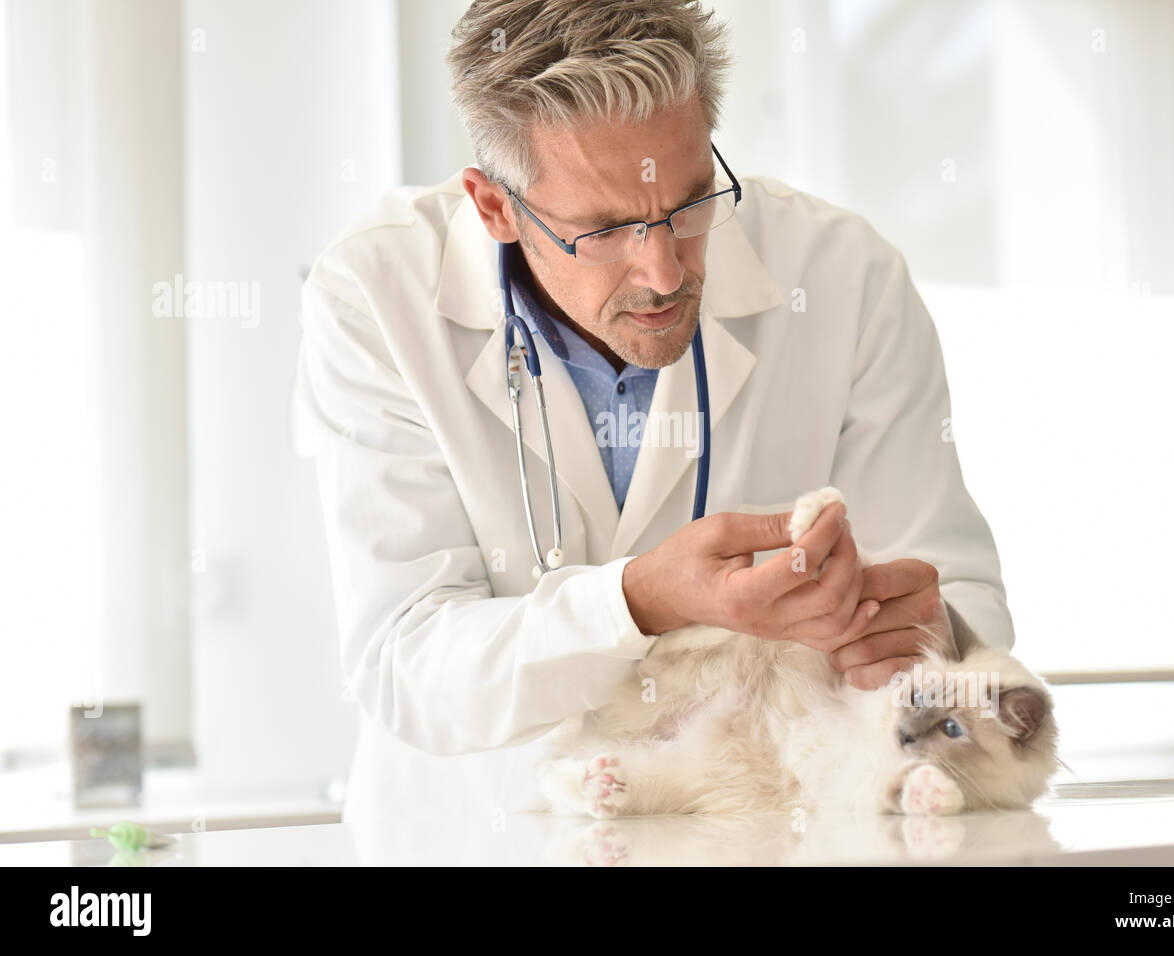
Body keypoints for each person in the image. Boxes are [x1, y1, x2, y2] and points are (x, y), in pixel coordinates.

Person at [291, 0, 1013, 843]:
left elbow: (959, 599)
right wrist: (637, 602)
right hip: (474, 839)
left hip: (759, 839)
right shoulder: (376, 293)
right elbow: (403, 660)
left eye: (691, 200)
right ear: (494, 207)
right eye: (604, 230)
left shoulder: (844, 277)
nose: (665, 271)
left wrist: (921, 635)